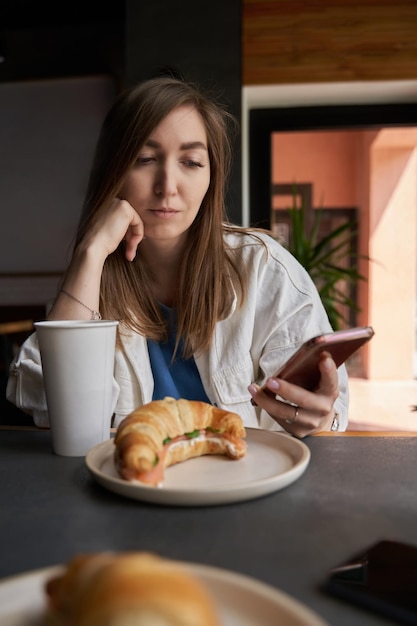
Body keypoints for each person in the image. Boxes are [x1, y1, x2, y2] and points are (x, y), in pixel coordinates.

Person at [7, 75, 348, 436]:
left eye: (191, 162)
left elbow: (328, 407)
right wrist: (90, 253)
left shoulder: (263, 267)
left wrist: (322, 418)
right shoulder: (94, 279)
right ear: (114, 172)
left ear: (211, 177)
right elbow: (47, 402)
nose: (167, 186)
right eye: (145, 158)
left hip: (244, 483)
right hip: (133, 483)